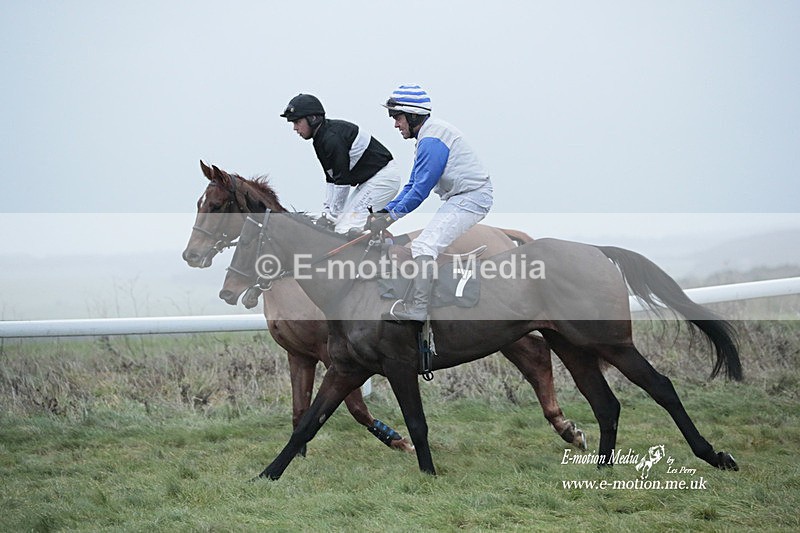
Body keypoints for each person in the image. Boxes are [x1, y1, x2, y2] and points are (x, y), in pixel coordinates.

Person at [367, 84, 494, 322]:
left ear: (413, 116)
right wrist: (386, 211)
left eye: (398, 117)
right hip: (461, 197)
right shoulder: (427, 137)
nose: (395, 124)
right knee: (423, 245)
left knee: (424, 247)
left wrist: (390, 218)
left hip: (471, 198)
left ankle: (419, 309)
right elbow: (412, 184)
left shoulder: (432, 141)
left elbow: (420, 191)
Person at [280, 94, 401, 235]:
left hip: (383, 179)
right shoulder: (320, 140)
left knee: (345, 229)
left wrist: (331, 217)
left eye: (297, 122)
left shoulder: (332, 138)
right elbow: (331, 180)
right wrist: (327, 214)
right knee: (339, 225)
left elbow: (343, 182)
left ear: (312, 119)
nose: (295, 128)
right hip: (370, 180)